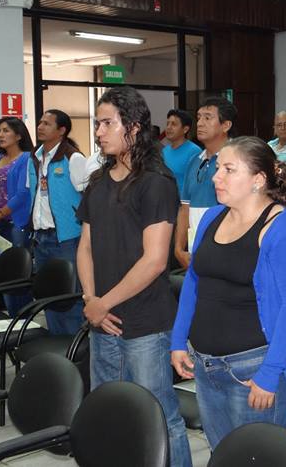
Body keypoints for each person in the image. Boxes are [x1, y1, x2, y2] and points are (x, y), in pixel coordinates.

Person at [75, 86, 192, 467]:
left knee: (159, 416)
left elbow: (155, 260)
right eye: (97, 124)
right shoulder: (97, 183)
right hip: (102, 321)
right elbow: (86, 248)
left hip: (145, 323)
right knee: (111, 412)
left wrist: (101, 303)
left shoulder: (156, 182)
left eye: (108, 123)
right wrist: (91, 300)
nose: (98, 132)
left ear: (134, 128)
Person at [170, 136, 286, 449]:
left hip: (253, 369)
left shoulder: (281, 227)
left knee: (256, 457)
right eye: (218, 168)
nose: (216, 177)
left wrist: (270, 373)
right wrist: (179, 340)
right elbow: (194, 281)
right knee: (223, 454)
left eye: (228, 170)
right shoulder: (212, 217)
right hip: (206, 365)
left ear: (258, 180)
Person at [28, 109, 88, 335]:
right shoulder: (34, 158)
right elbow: (34, 195)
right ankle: (56, 343)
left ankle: (75, 347)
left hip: (67, 238)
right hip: (41, 237)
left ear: (61, 131)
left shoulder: (73, 158)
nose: (40, 127)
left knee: (70, 296)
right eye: (40, 122)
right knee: (49, 296)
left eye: (47, 124)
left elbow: (88, 195)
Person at [174, 97, 236, 269]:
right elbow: (185, 208)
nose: (200, 123)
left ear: (226, 125)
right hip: (196, 252)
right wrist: (179, 249)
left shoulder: (238, 160)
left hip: (227, 252)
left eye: (208, 118)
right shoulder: (194, 161)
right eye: (199, 117)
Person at [0, 116, 35, 316]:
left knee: (16, 276)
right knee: (1, 275)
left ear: (19, 135)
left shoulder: (26, 159)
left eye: (5, 130)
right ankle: (12, 320)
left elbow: (22, 194)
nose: (0, 135)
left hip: (14, 223)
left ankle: (21, 321)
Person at [162, 109, 201, 190]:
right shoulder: (164, 151)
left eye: (173, 124)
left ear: (185, 129)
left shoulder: (194, 151)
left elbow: (196, 183)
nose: (168, 128)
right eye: (167, 124)